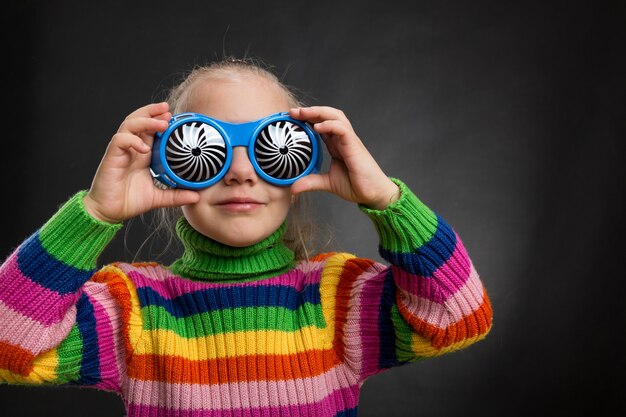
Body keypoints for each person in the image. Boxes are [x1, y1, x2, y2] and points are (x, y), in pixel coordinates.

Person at [0, 57, 492, 416]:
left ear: (308, 162)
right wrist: (93, 213)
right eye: (202, 147)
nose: (240, 173)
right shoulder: (134, 309)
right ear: (166, 167)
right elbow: (8, 343)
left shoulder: (334, 298)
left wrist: (386, 200)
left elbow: (458, 317)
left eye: (274, 148)